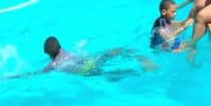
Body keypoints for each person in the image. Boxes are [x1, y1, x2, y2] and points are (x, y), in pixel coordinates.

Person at [14, 36, 156, 79]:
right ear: (60, 46)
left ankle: (137, 72)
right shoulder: (64, 51)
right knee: (111, 53)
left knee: (108, 75)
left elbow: (35, 73)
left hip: (84, 71)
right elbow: (78, 51)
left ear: (47, 54)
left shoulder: (53, 65)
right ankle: (139, 57)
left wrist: (14, 76)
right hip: (89, 61)